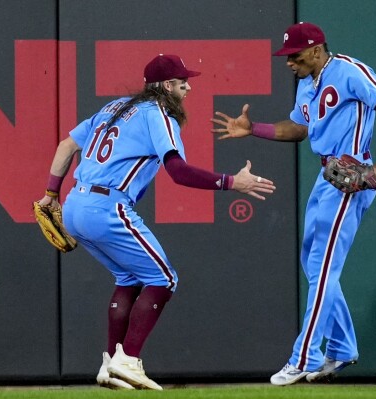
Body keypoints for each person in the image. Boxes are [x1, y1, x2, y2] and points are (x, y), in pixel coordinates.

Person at [37, 54, 276, 390]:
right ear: (166, 86)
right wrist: (231, 182)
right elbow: (178, 172)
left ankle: (111, 363)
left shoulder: (113, 107)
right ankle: (129, 360)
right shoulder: (159, 114)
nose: (188, 88)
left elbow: (66, 145)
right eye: (182, 83)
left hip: (75, 203)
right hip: (107, 205)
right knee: (164, 279)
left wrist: (50, 193)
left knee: (129, 276)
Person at [211, 22, 376, 385]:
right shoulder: (305, 83)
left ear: (316, 50)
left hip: (352, 174)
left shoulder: (349, 70)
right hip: (326, 175)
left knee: (323, 264)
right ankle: (342, 347)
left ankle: (305, 357)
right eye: (286, 56)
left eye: (294, 56)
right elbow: (299, 129)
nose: (289, 62)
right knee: (313, 262)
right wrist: (254, 129)